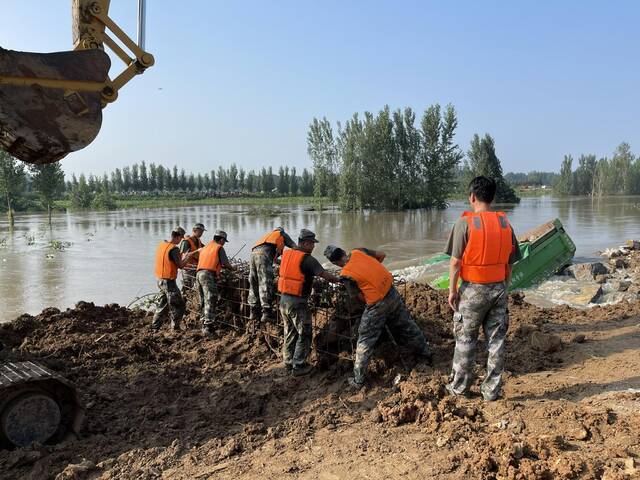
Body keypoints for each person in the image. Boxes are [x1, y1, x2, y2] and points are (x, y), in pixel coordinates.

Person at [445, 176, 521, 401]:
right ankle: (491, 392)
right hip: (498, 288)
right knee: (496, 342)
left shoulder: (465, 223)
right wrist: (504, 286)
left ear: (472, 197)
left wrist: (452, 291)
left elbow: (455, 262)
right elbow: (511, 261)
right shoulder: (505, 223)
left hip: (473, 291)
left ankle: (460, 389)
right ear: (492, 197)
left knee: (466, 339)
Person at [324, 245, 431, 389]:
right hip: (392, 293)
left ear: (335, 263)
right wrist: (373, 274)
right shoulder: (359, 251)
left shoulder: (346, 275)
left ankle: (358, 380)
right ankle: (426, 354)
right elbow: (381, 255)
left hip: (376, 305)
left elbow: (357, 297)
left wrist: (371, 300)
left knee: (365, 339)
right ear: (343, 251)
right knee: (408, 325)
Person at [278, 229, 340, 376]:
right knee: (304, 332)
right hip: (297, 302)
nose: (313, 247)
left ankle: (288, 362)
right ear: (305, 243)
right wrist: (341, 279)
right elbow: (326, 276)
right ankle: (299, 366)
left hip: (283, 300)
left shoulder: (287, 254)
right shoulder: (307, 259)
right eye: (312, 244)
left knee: (290, 332)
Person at [152, 226, 199, 332]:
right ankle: (175, 328)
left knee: (163, 304)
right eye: (181, 238)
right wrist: (188, 256)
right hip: (169, 282)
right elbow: (181, 265)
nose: (181, 240)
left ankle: (155, 327)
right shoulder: (174, 249)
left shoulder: (162, 245)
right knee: (179, 305)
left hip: (160, 280)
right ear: (177, 237)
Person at [249, 227, 296, 322]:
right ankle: (267, 313)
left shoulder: (267, 237)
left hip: (253, 255)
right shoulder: (281, 234)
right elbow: (295, 247)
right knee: (265, 283)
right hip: (263, 256)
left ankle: (253, 312)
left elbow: (274, 260)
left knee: (253, 282)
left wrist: (285, 263)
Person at [196, 230, 234, 336]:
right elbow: (225, 263)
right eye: (224, 241)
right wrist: (233, 269)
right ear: (221, 240)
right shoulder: (219, 248)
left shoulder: (206, 246)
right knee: (211, 299)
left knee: (203, 300)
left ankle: (203, 324)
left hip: (199, 274)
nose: (224, 243)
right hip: (207, 275)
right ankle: (208, 328)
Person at [179, 223, 206, 293]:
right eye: (200, 231)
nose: (201, 233)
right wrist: (197, 251)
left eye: (202, 232)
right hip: (188, 269)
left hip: (196, 268)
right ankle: (183, 300)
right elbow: (184, 256)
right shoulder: (186, 242)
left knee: (195, 287)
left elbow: (205, 248)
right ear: (194, 230)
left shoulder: (198, 240)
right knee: (187, 287)